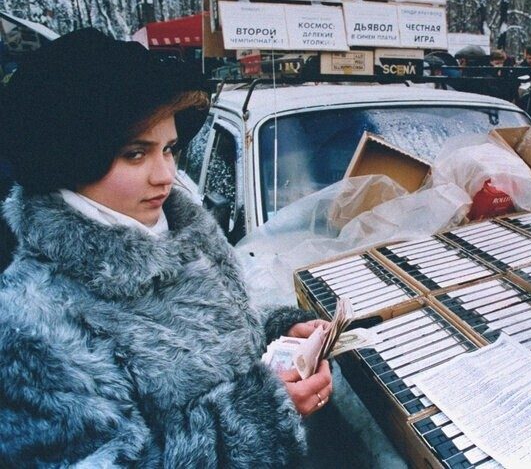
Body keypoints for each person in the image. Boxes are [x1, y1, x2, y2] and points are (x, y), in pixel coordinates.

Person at [0, 28, 332, 467]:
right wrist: (264, 417)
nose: (166, 175)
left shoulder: (182, 231)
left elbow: (213, 337)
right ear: (70, 157)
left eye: (170, 149)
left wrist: (278, 335)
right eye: (136, 154)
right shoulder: (29, 323)